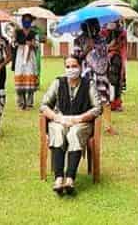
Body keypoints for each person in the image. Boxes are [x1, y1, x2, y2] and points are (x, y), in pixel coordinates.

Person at [40, 56, 102, 196]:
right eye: (67, 67)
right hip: (60, 119)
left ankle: (70, 179)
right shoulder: (58, 83)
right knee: (57, 130)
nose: (71, 70)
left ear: (80, 67)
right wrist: (57, 118)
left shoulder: (88, 84)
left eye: (74, 66)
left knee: (74, 133)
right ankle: (59, 178)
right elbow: (44, 106)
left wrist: (79, 118)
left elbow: (97, 108)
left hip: (81, 122)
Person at [13, 14, 41, 110]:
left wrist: (32, 44)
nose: (26, 22)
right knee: (20, 75)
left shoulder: (34, 33)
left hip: (30, 56)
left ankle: (29, 103)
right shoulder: (18, 32)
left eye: (28, 20)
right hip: (20, 56)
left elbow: (37, 45)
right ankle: (21, 102)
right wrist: (16, 40)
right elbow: (13, 43)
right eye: (25, 20)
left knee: (30, 76)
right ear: (22, 21)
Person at [105, 21, 128, 111]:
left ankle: (116, 103)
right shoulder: (104, 31)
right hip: (107, 59)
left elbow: (121, 46)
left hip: (117, 58)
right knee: (109, 80)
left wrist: (111, 46)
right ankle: (110, 102)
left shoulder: (121, 32)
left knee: (116, 80)